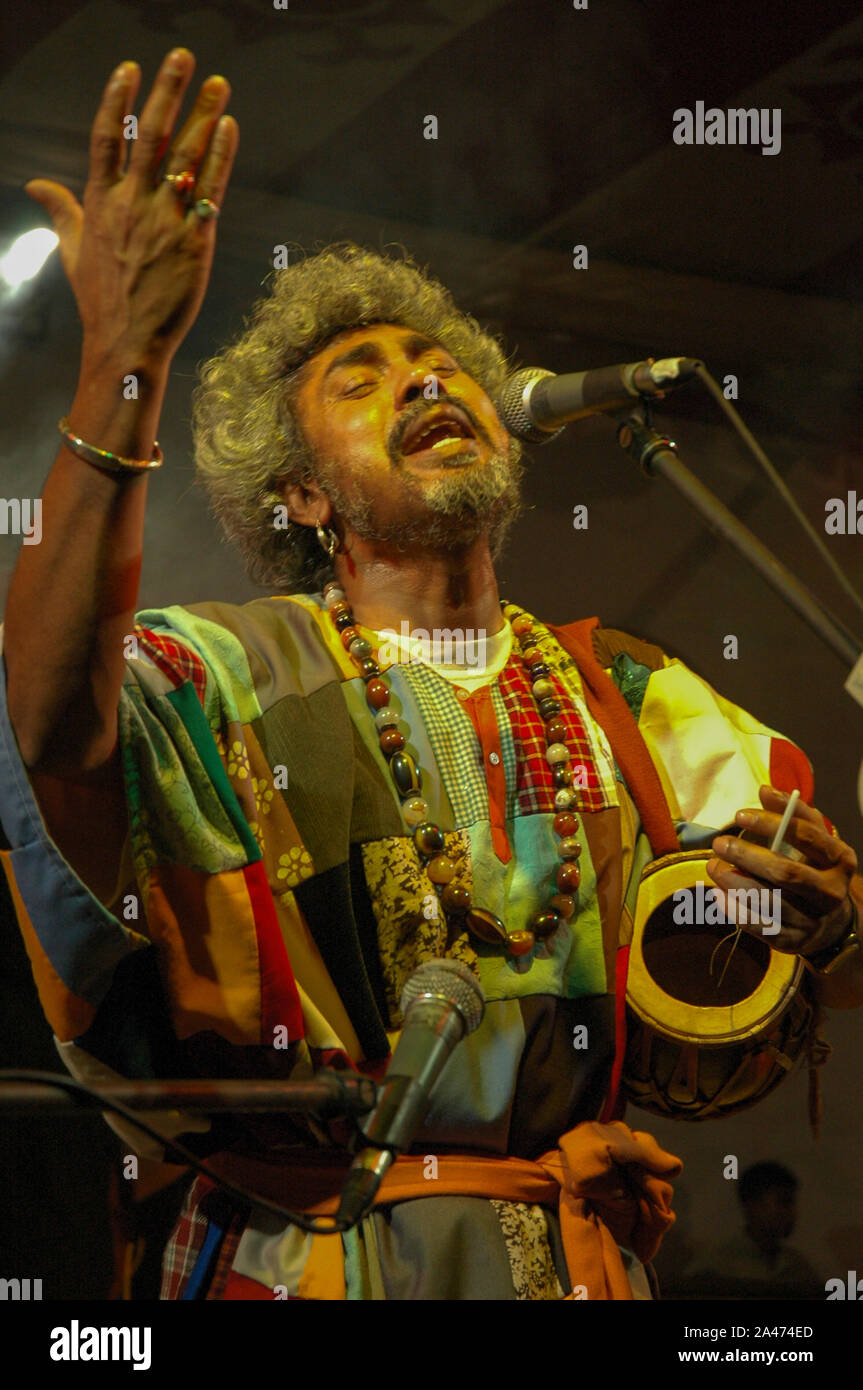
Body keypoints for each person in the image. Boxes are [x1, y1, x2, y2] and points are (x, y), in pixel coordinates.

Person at [2, 48, 861, 1302]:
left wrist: (812, 927)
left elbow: (740, 982)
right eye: (362, 376)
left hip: (569, 1268)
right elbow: (50, 727)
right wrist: (122, 361)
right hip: (292, 1264)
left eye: (437, 360)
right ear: (299, 495)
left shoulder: (627, 698)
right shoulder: (224, 674)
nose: (420, 374)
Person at [684, 1162, 822, 1299]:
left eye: (792, 1203)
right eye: (784, 1202)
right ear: (752, 1205)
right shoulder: (716, 1266)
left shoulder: (797, 1266)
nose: (792, 1213)